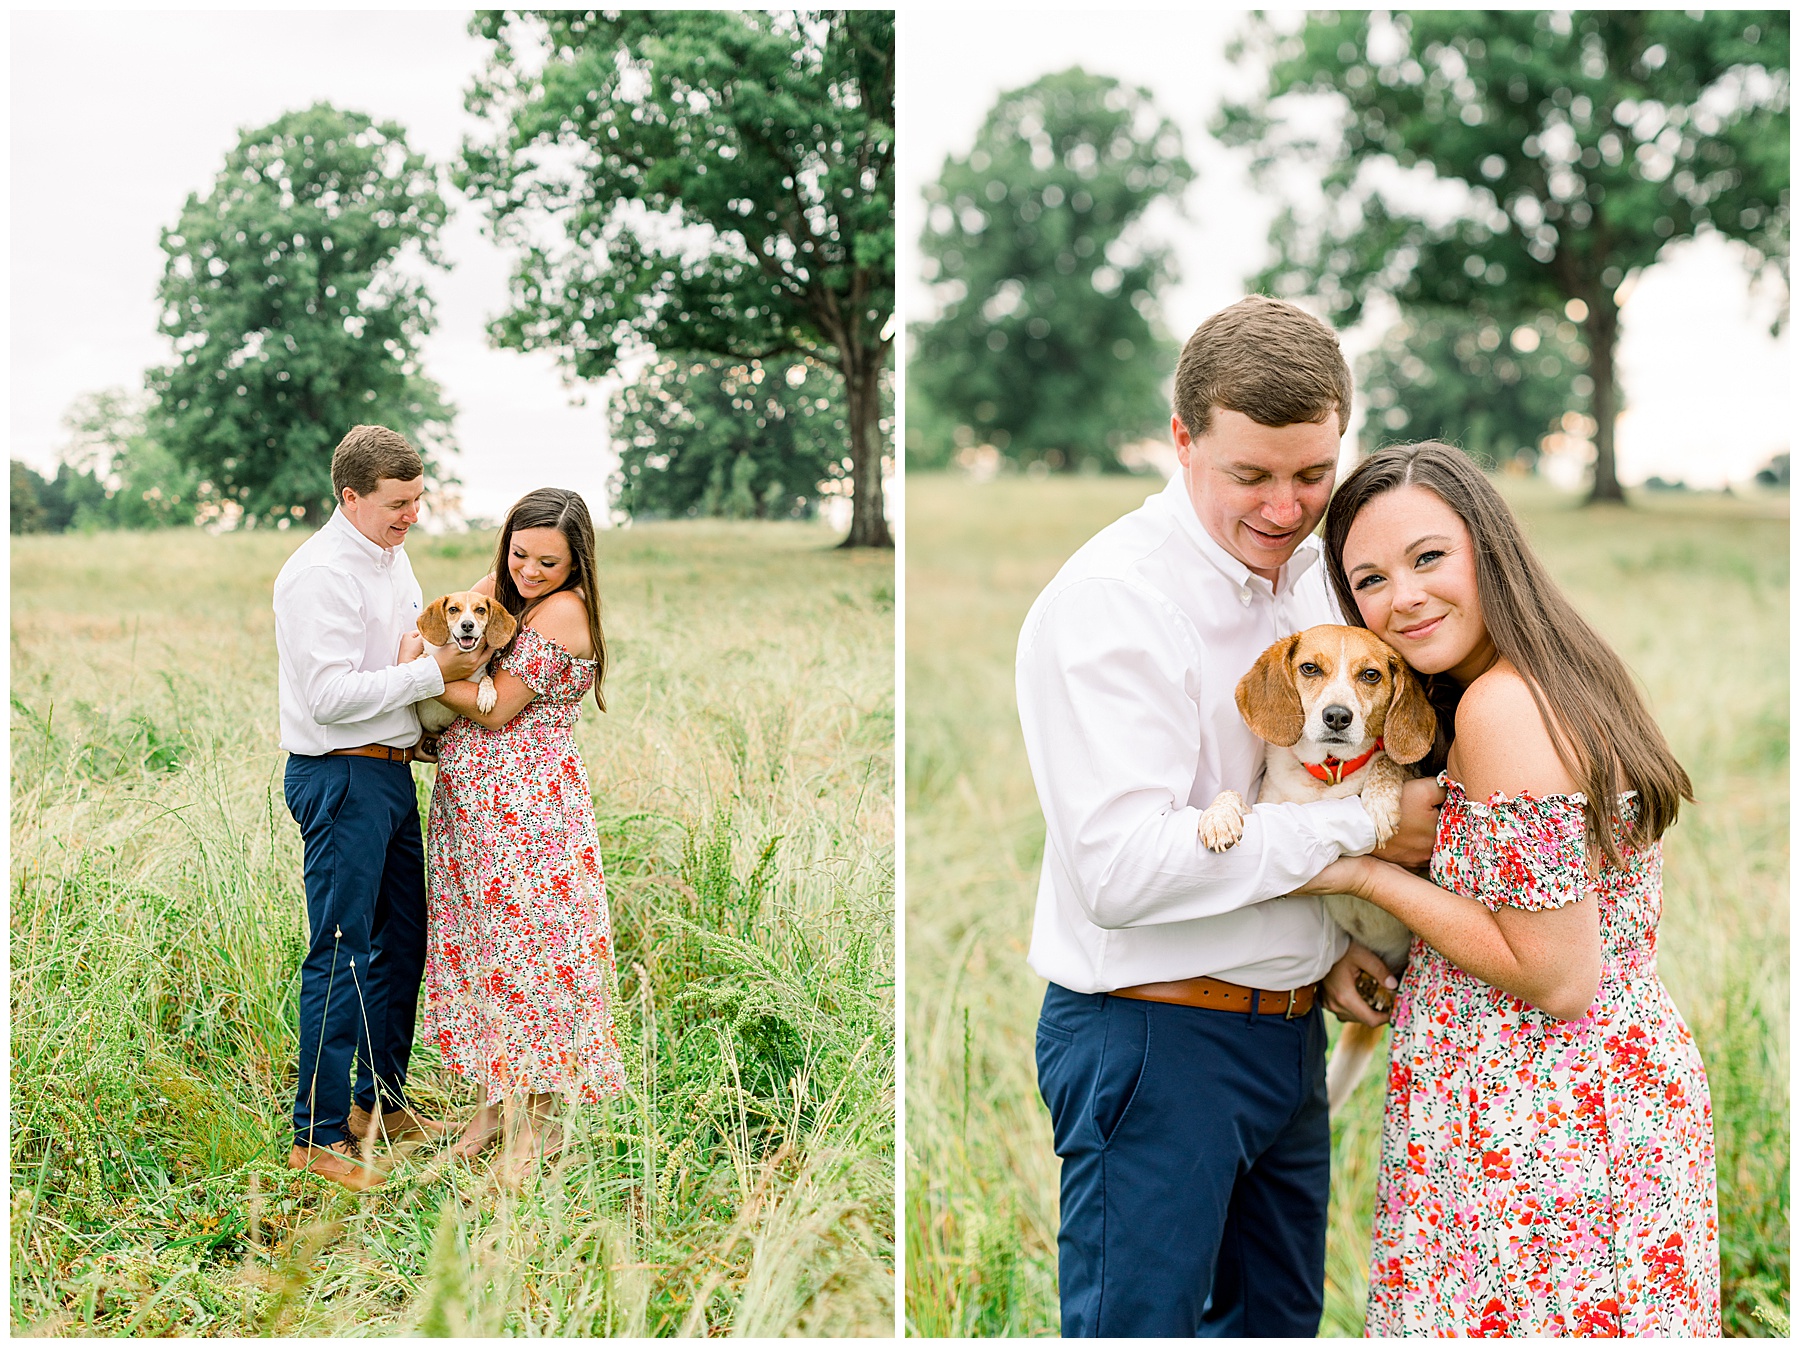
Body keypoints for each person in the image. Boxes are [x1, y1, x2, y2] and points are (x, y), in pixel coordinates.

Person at [1016, 296, 1446, 1336]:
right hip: (1155, 1038)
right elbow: (1122, 870)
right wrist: (1365, 833)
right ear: (1182, 440)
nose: (1289, 508)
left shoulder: (1312, 582)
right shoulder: (1113, 601)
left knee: (1275, 1328)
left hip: (1290, 1037)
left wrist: (1320, 945)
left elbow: (1286, 789)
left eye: (1313, 473)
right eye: (1251, 475)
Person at [1303, 442, 1719, 1336]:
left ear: (1490, 547)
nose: (1401, 596)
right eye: (1368, 579)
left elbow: (1554, 974)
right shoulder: (1551, 672)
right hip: (1588, 1101)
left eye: (1428, 558)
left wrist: (1360, 868)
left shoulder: (1500, 707)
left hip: (1537, 1124)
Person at [274, 425, 486, 1192]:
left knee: (402, 942)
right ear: (351, 497)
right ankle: (317, 1139)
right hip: (339, 777)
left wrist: (425, 715)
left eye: (418, 501)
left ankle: (381, 1103)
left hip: (393, 775)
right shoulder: (318, 575)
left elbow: (397, 658)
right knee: (341, 949)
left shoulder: (391, 559)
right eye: (398, 504)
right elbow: (330, 697)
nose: (411, 516)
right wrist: (430, 673)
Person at [421, 487, 626, 1176]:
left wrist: (405, 678)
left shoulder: (563, 611)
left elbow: (493, 707)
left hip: (528, 816)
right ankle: (488, 1113)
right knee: (485, 956)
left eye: (549, 562)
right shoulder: (510, 591)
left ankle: (537, 1131)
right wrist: (495, 576)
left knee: (533, 960)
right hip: (474, 810)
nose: (530, 573)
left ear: (577, 563)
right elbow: (455, 615)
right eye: (519, 555)